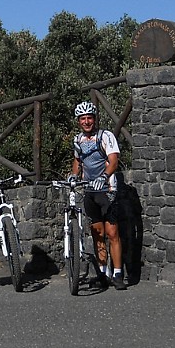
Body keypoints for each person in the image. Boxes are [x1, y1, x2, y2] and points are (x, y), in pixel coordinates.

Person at [69, 101, 126, 290]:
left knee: (112, 233)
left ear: (94, 118)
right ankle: (103, 272)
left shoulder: (105, 136)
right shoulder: (77, 139)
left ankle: (118, 273)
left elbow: (113, 161)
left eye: (89, 118)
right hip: (89, 191)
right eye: (83, 119)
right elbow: (78, 161)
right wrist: (73, 176)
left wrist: (104, 176)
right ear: (79, 121)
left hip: (107, 190)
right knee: (97, 233)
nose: (87, 122)